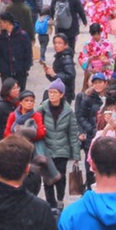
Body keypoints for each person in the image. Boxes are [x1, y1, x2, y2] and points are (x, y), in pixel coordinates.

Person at [38, 77, 80, 211]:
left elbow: (73, 133)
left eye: (55, 92)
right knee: (47, 179)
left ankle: (60, 199)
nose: (52, 95)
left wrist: (76, 156)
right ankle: (51, 204)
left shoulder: (68, 111)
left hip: (62, 150)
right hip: (46, 149)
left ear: (61, 94)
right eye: (50, 92)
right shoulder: (42, 109)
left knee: (60, 177)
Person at [0, 11, 32, 88]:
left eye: (1, 22)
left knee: (20, 93)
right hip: (6, 72)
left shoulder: (22, 35)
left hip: (20, 71)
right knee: (7, 93)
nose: (0, 24)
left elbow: (28, 52)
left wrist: (26, 66)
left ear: (8, 23)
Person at [0, 76, 20, 148]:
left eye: (17, 88)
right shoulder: (0, 107)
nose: (17, 90)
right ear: (7, 90)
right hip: (5, 140)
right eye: (14, 89)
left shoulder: (19, 104)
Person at [48, 29, 76, 100]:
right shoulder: (59, 56)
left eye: (60, 43)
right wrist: (49, 73)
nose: (56, 45)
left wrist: (55, 75)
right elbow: (55, 77)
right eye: (55, 43)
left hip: (65, 93)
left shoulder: (66, 58)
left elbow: (70, 76)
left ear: (65, 45)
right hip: (59, 90)